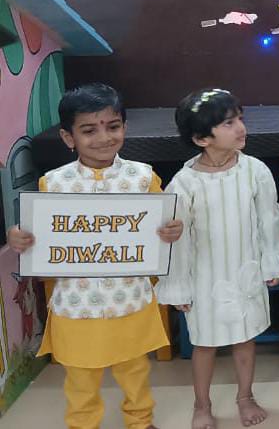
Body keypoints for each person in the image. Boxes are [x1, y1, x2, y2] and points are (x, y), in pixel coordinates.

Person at [6, 83, 183, 429]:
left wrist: (172, 229)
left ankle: (140, 421)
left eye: (112, 126)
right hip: (76, 301)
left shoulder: (142, 176)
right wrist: (18, 236)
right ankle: (82, 424)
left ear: (124, 128)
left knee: (135, 370)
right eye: (89, 130)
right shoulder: (52, 183)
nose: (103, 138)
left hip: (129, 296)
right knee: (80, 377)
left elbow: (164, 224)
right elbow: (37, 233)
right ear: (68, 137)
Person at [156, 89, 279, 429]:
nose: (240, 128)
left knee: (244, 338)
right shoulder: (184, 183)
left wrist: (271, 261)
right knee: (204, 344)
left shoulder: (255, 170)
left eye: (240, 119)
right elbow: (177, 240)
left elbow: (268, 218)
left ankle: (245, 397)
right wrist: (179, 286)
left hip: (244, 271)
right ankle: (201, 404)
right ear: (201, 138)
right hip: (204, 277)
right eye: (229, 123)